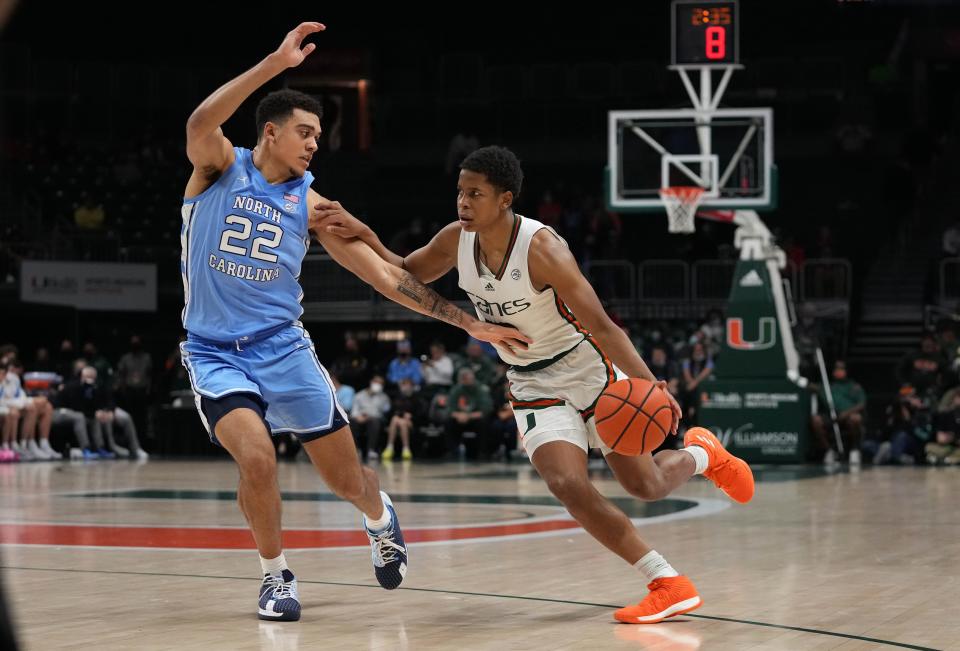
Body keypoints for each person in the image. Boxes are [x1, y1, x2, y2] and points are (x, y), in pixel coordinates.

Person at [315, 144, 755, 624]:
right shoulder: (454, 239)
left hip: (587, 368)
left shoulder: (543, 250)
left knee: (646, 485)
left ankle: (701, 454)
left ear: (505, 199)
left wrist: (654, 386)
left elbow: (603, 326)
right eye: (460, 192)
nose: (462, 203)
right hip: (530, 379)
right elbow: (405, 271)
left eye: (475, 194)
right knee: (566, 482)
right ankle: (666, 581)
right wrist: (368, 234)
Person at [178, 23, 528, 623]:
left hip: (283, 349)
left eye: (320, 135)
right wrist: (273, 63)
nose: (316, 143)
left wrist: (463, 321)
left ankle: (380, 518)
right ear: (271, 130)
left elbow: (386, 277)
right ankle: (274, 577)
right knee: (257, 458)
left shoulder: (314, 207)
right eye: (305, 132)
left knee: (350, 482)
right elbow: (199, 122)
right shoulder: (217, 167)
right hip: (213, 352)